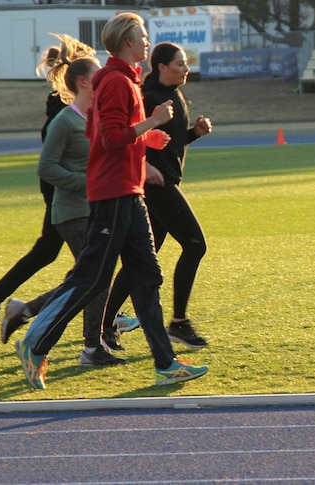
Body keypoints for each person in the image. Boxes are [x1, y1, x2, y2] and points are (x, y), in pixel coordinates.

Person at [14, 12, 209, 389]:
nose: (148, 42)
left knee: (147, 275)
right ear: (127, 43)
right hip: (115, 193)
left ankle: (165, 363)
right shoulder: (118, 81)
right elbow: (108, 139)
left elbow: (98, 131)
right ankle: (35, 342)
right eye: (143, 36)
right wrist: (151, 123)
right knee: (93, 277)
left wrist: (144, 143)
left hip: (128, 189)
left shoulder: (122, 80)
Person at [0, 34, 137, 339]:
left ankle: (9, 304)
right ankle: (83, 327)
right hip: (67, 196)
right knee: (90, 273)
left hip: (79, 195)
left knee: (65, 261)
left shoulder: (81, 104)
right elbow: (53, 158)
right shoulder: (64, 109)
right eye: (97, 72)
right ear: (83, 79)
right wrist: (83, 182)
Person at [102, 41, 212, 350]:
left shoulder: (174, 95)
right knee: (195, 244)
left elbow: (168, 142)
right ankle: (178, 323)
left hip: (166, 183)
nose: (186, 68)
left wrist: (194, 134)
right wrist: (146, 165)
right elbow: (126, 139)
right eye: (180, 64)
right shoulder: (148, 97)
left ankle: (105, 324)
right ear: (162, 67)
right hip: (156, 188)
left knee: (140, 260)